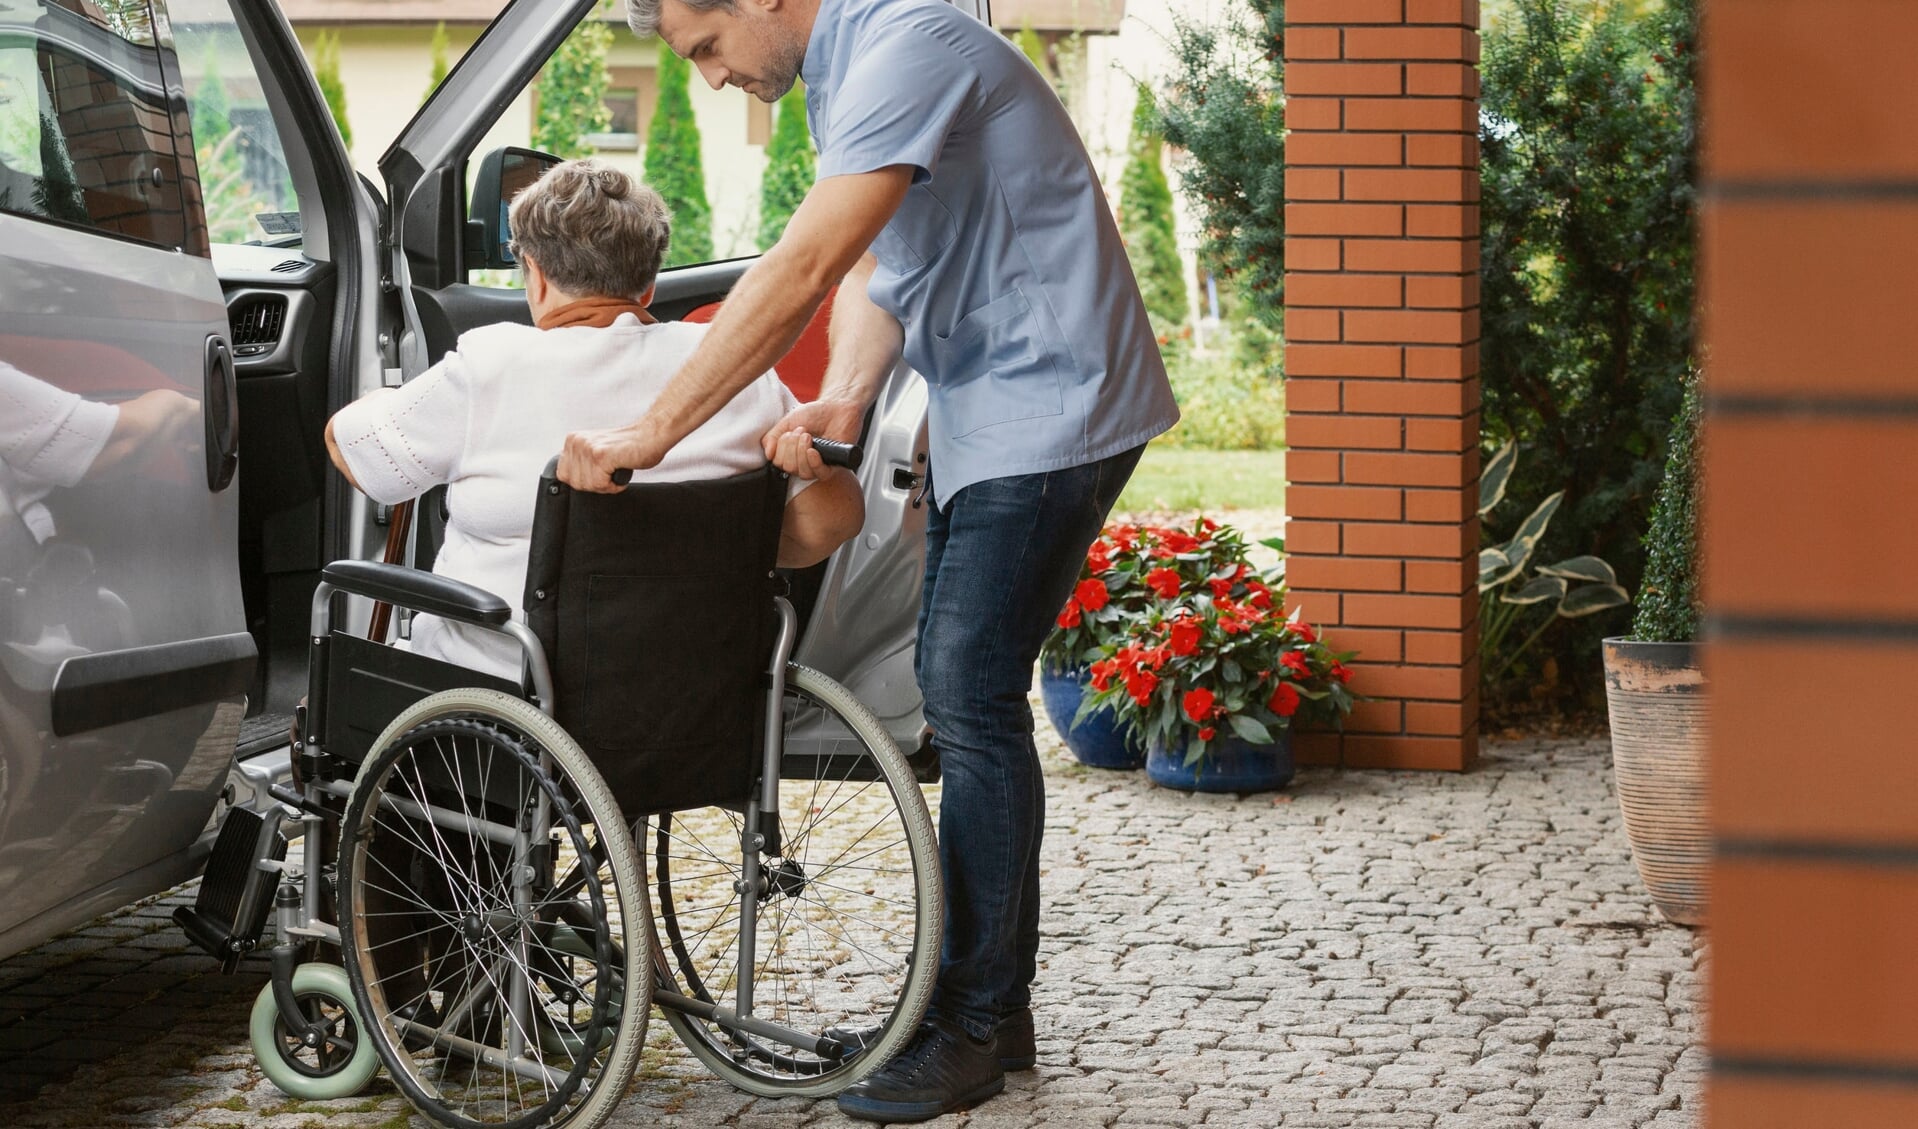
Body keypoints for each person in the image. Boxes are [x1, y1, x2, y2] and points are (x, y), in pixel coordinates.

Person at [557, 1, 1178, 1121]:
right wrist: (845, 390)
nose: (709, 78)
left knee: (968, 700)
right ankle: (991, 1005)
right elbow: (879, 274)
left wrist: (652, 431)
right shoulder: (851, 70)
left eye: (704, 48)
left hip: (1051, 404)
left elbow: (805, 262)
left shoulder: (908, 46)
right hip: (998, 403)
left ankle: (972, 1023)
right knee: (970, 696)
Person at [325, 158, 864, 681]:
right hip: (689, 705)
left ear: (533, 276)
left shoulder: (489, 367)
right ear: (648, 285)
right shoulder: (736, 372)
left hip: (497, 708)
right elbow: (823, 527)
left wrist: (377, 402)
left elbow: (357, 454)